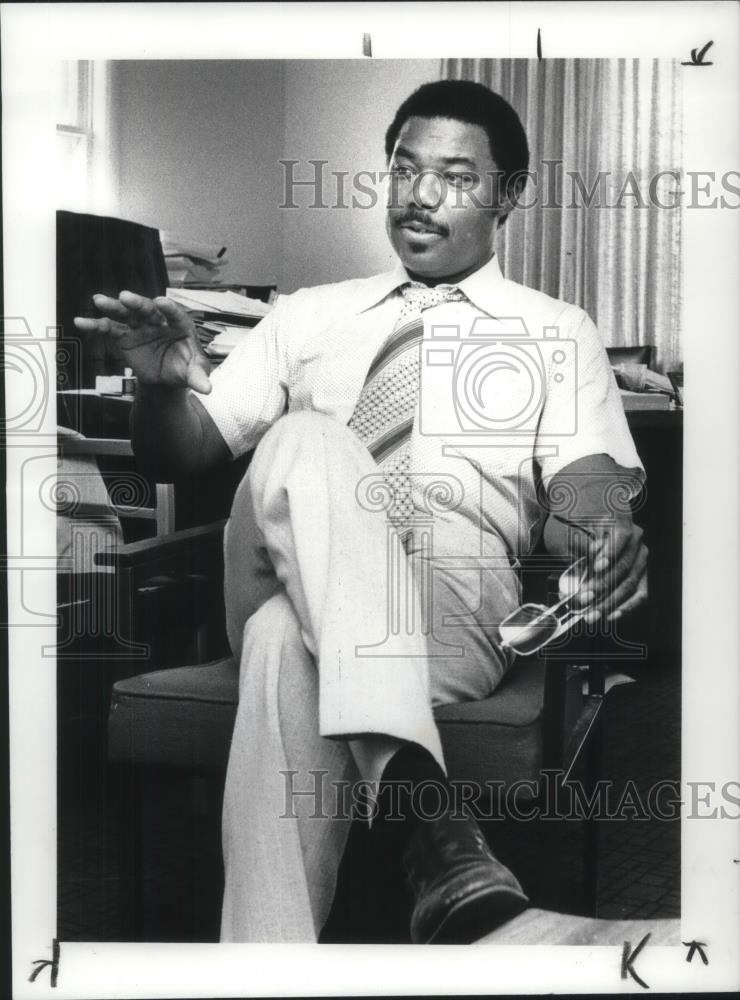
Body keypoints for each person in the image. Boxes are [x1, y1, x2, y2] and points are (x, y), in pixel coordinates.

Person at [76, 79, 647, 945]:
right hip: (276, 564)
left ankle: (267, 967)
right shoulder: (306, 313)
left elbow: (588, 476)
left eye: (455, 177)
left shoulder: (554, 329)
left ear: (511, 195)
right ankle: (441, 843)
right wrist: (160, 391)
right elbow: (181, 450)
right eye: (404, 169)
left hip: (448, 617)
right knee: (306, 440)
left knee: (282, 641)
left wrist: (607, 527)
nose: (418, 196)